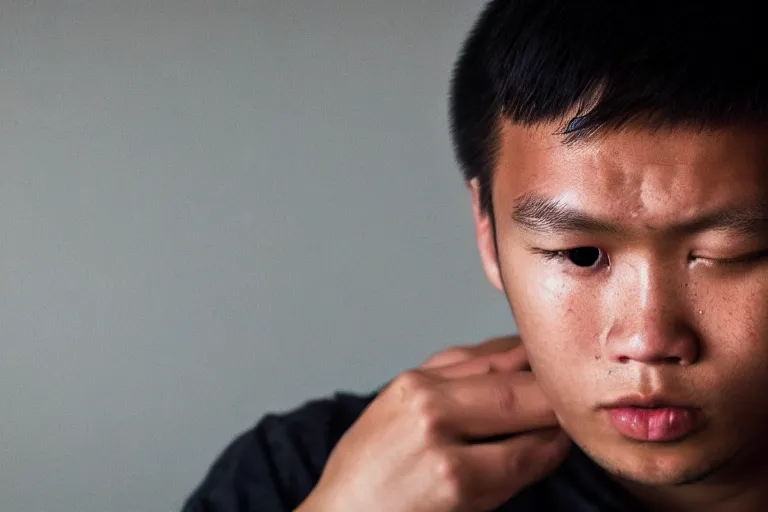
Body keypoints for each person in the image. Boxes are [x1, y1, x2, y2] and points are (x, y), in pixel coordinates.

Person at [183, 0, 768, 510]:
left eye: (729, 252)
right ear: (488, 233)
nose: (647, 340)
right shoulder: (303, 474)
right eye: (581, 254)